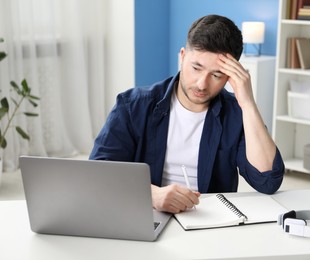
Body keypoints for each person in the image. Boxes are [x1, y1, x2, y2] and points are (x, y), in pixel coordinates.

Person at [89, 14, 285, 214]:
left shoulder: (236, 113)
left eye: (217, 75)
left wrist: (248, 103)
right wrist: (151, 195)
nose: (202, 84)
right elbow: (97, 174)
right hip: (145, 211)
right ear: (182, 57)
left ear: (230, 76)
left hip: (209, 221)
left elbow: (267, 181)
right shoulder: (133, 105)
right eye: (196, 68)